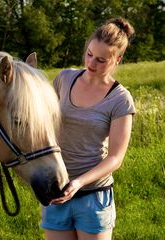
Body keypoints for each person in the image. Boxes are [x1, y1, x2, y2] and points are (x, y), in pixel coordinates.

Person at [40, 17, 136, 240]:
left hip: (94, 197)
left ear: (118, 59)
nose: (91, 63)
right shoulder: (64, 79)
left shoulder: (120, 100)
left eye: (101, 60)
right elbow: (44, 123)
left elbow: (115, 158)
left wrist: (79, 182)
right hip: (56, 191)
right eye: (89, 55)